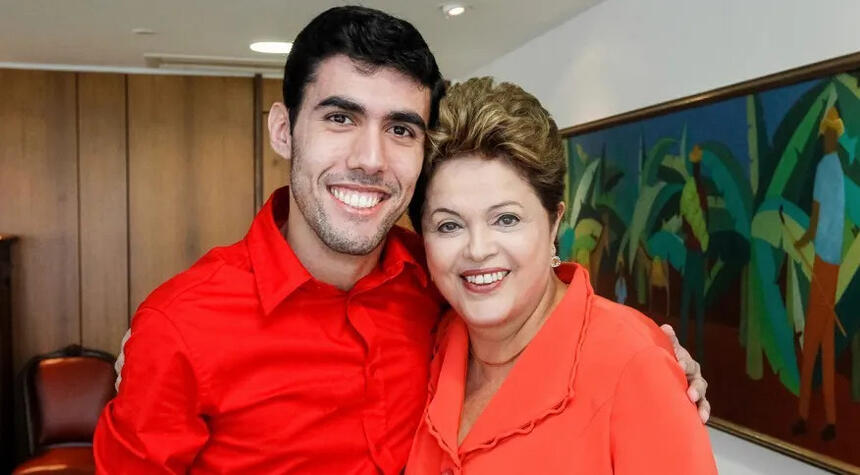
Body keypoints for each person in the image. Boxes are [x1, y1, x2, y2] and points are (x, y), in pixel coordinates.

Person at [94, 6, 710, 473]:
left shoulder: (439, 288)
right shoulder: (181, 327)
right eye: (340, 117)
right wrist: (155, 342)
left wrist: (653, 363)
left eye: (401, 129)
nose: (370, 158)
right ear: (283, 130)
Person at [405, 77, 716, 473]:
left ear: (554, 223)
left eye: (506, 219)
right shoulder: (438, 341)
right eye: (449, 225)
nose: (478, 250)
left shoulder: (634, 365)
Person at [791, 106, 847, 441]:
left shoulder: (826, 167)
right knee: (825, 344)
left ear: (832, 136)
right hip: (834, 263)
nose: (827, 138)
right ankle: (830, 419)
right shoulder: (838, 169)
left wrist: (800, 241)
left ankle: (802, 414)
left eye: (829, 133)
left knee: (811, 343)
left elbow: (815, 222)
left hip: (825, 263)